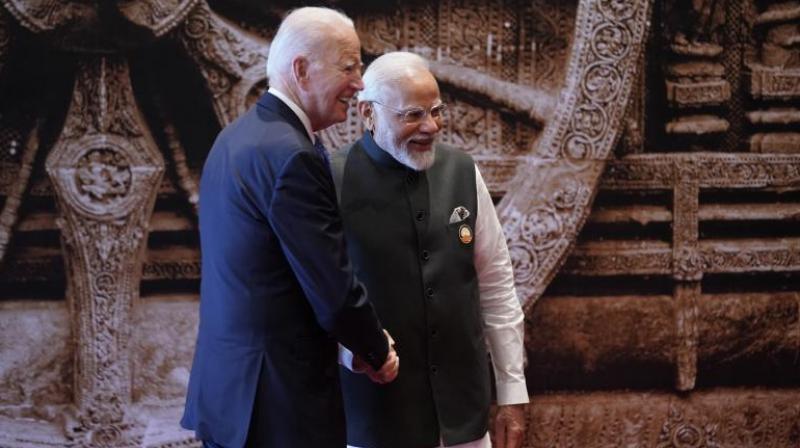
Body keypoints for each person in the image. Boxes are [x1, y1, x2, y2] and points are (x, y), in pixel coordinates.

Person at [180, 8, 399, 448]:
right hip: (278, 409)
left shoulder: (236, 138)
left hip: (230, 397)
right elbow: (332, 289)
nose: (359, 83)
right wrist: (376, 350)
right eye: (349, 66)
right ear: (301, 69)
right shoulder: (292, 156)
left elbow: (267, 278)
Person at [332, 52, 528, 448]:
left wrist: (512, 394)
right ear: (367, 113)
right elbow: (311, 299)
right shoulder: (330, 180)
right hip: (375, 419)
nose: (431, 126)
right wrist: (352, 353)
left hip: (463, 419)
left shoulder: (462, 171)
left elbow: (496, 285)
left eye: (437, 112)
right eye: (413, 115)